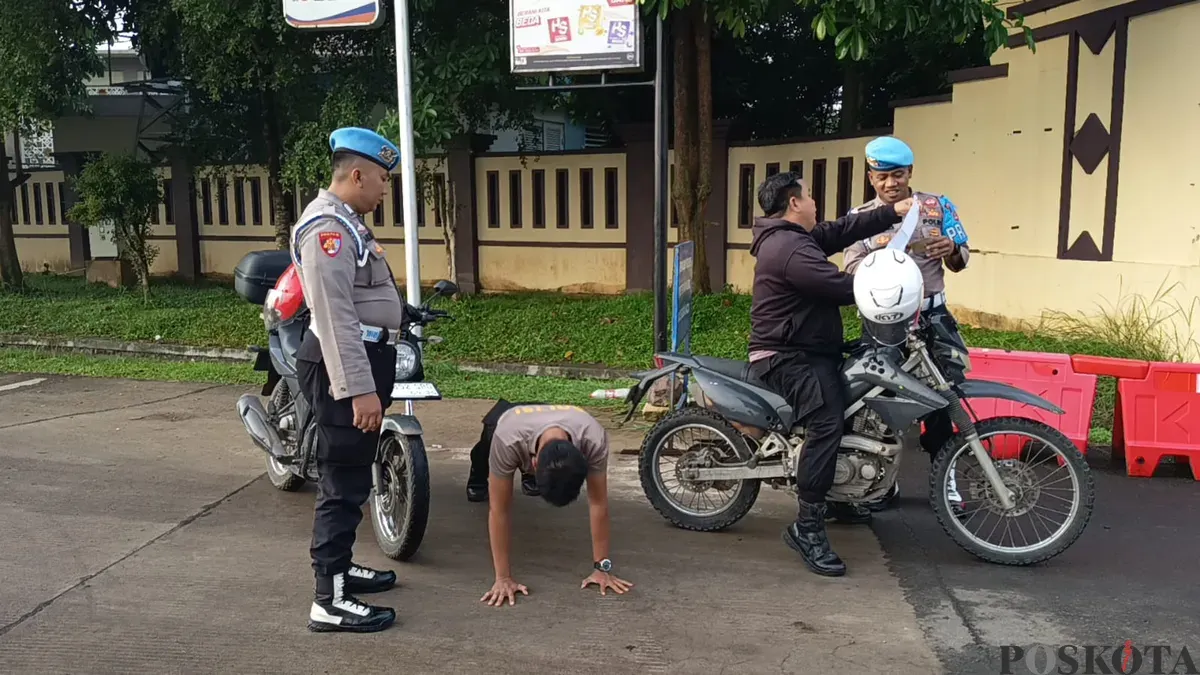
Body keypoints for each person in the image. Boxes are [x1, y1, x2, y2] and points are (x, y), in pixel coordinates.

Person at [746, 170, 913, 577]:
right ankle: (807, 527)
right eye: (809, 196)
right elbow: (839, 287)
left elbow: (841, 231)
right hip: (787, 356)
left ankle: (839, 496)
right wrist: (891, 290)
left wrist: (893, 211)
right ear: (793, 203)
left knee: (856, 403)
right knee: (826, 421)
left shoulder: (796, 238)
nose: (815, 202)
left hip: (812, 348)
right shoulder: (787, 248)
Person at [291, 126, 405, 633]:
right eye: (382, 178)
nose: (385, 189)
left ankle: (341, 569)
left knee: (355, 478)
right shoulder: (327, 230)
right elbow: (335, 316)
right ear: (357, 175)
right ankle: (329, 600)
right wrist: (359, 390)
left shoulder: (347, 224)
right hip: (345, 370)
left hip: (361, 360)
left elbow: (360, 295)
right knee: (341, 482)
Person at [842, 136, 970, 513]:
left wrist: (951, 249)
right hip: (883, 324)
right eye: (881, 176)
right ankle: (881, 483)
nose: (890, 183)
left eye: (897, 175)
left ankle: (947, 482)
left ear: (910, 172)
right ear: (870, 177)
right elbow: (850, 268)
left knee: (945, 399)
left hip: (932, 317)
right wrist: (882, 258)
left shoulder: (938, 207)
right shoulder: (859, 217)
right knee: (879, 401)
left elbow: (962, 260)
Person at [479, 403, 634, 607]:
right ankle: (476, 475)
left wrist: (602, 569)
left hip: (566, 422)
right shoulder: (507, 439)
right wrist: (502, 578)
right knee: (482, 457)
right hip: (510, 419)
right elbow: (499, 510)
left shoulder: (594, 439)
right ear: (533, 465)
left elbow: (598, 504)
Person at [466, 399, 542, 503]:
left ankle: (531, 474)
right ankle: (478, 478)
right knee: (488, 445)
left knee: (542, 442)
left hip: (540, 410)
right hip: (505, 409)